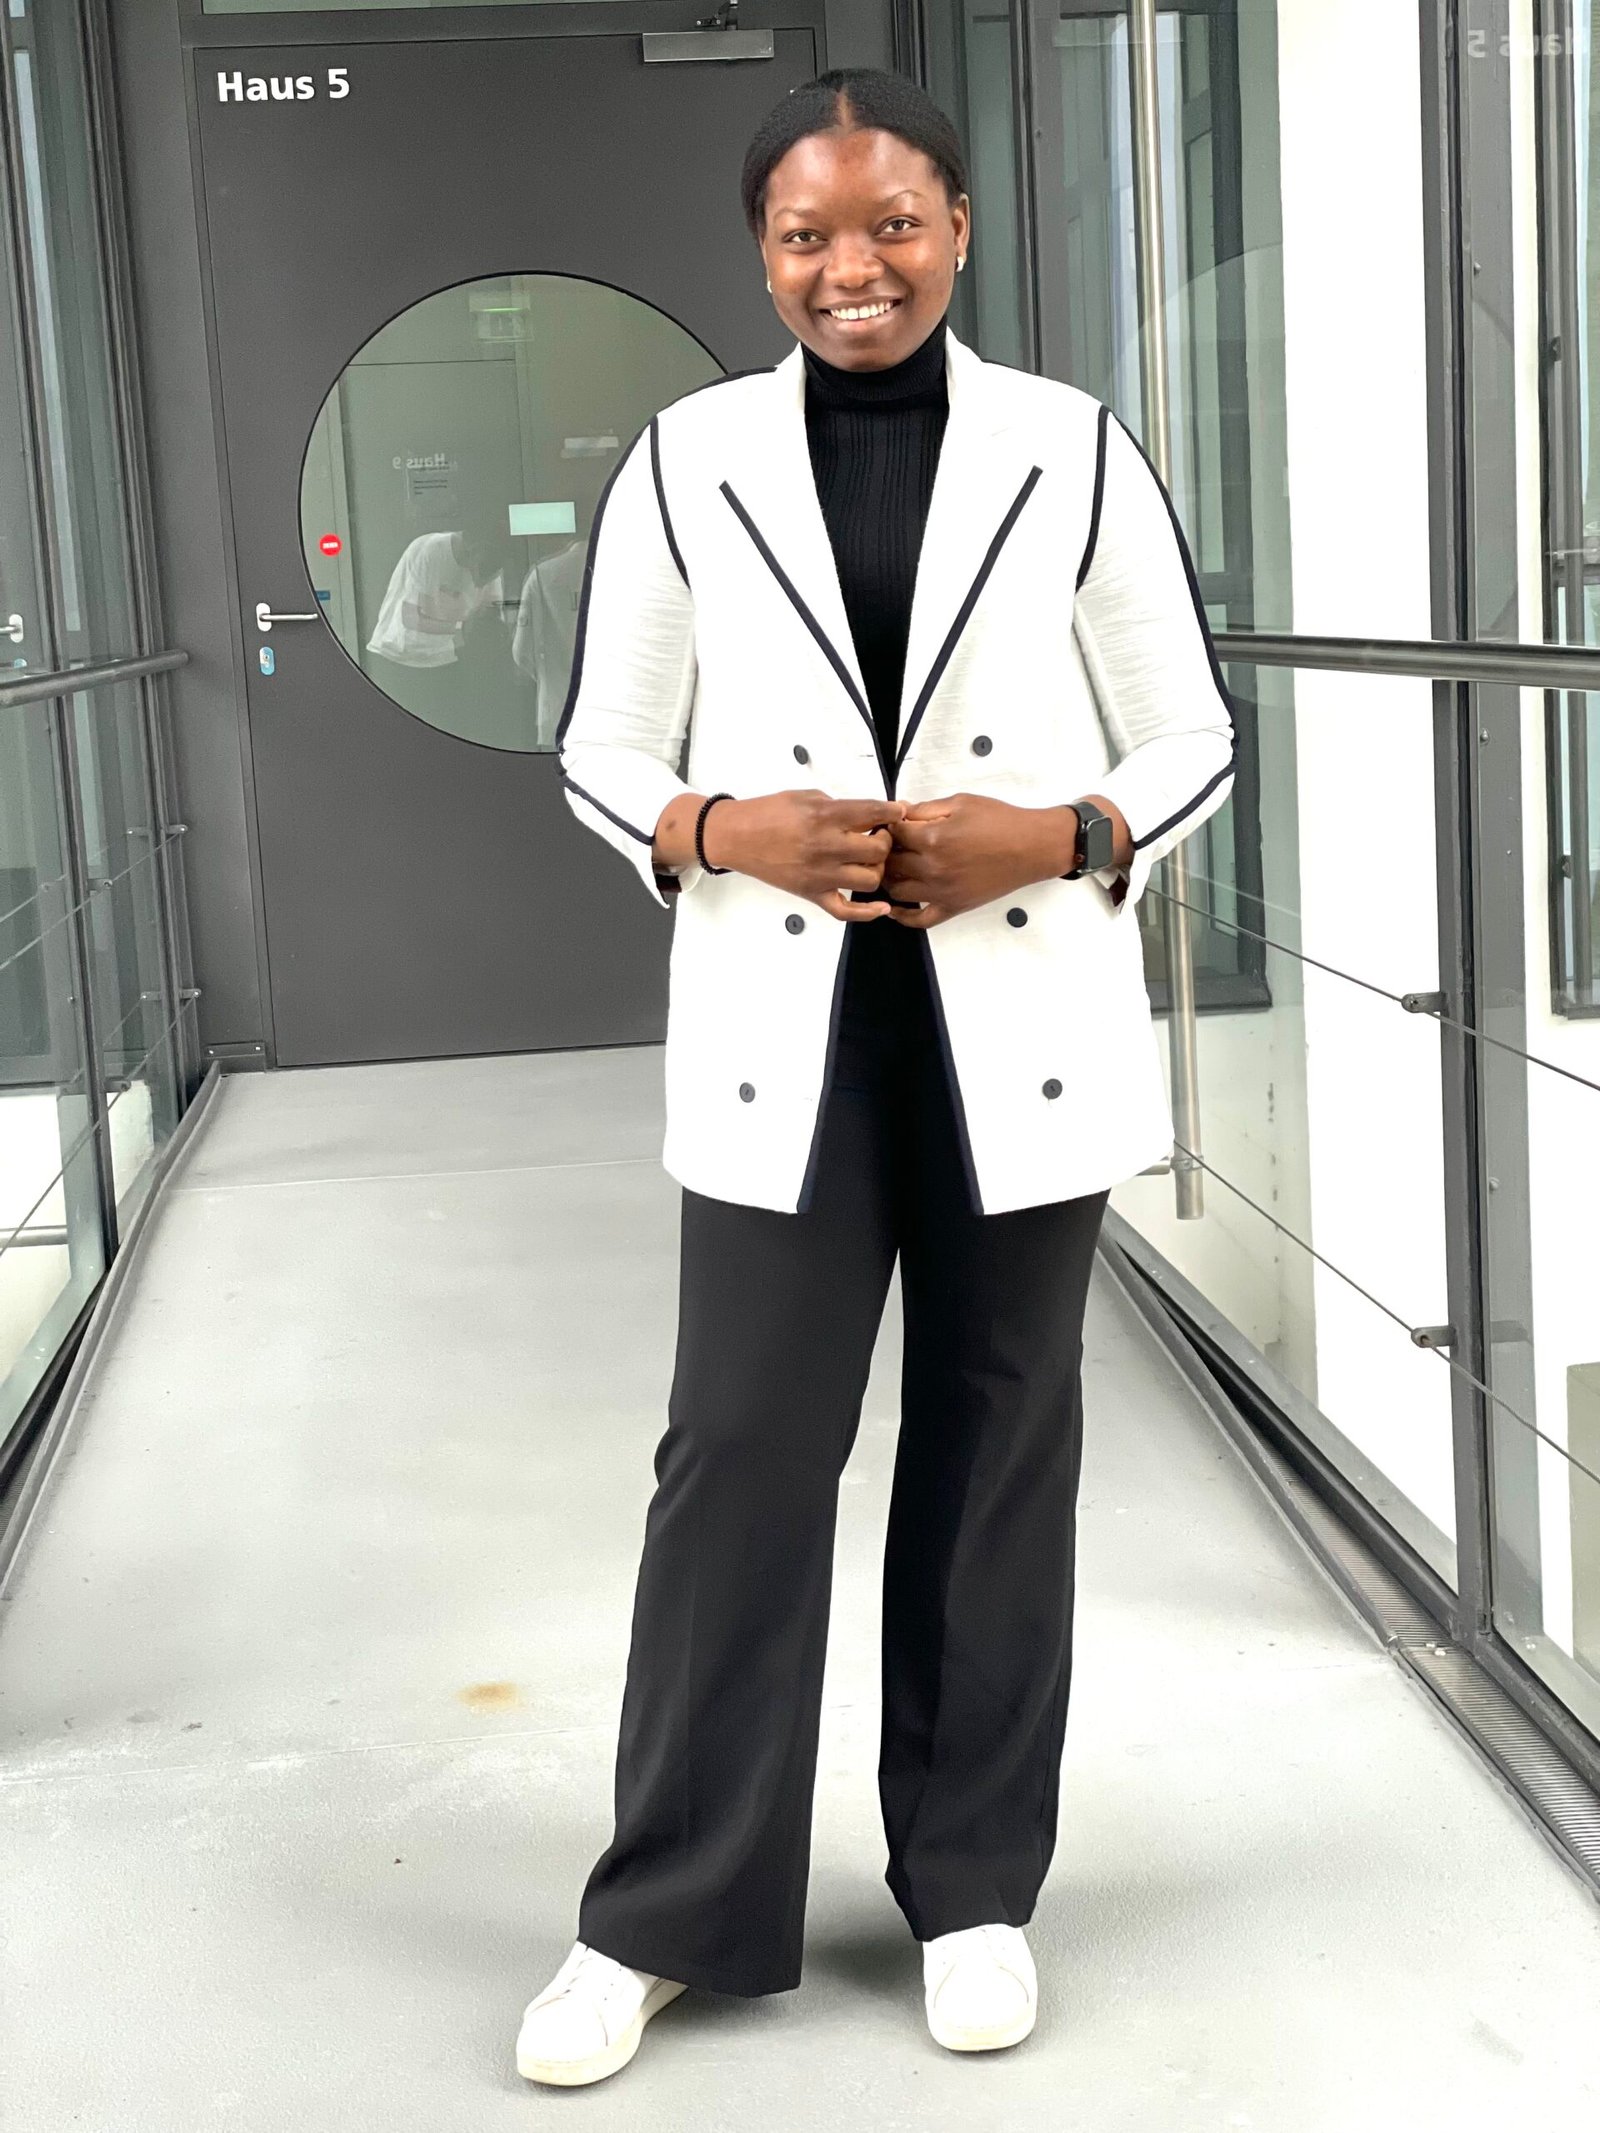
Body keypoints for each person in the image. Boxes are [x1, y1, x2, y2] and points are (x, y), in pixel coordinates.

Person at [516, 67, 1237, 2088]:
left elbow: (1187, 729)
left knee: (997, 1454)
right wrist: (712, 825)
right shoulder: (686, 458)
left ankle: (974, 1886)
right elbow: (601, 742)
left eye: (893, 222)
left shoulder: (1069, 448)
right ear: (761, 253)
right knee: (739, 1451)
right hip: (786, 1034)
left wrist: (1066, 832)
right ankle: (659, 1910)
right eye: (809, 234)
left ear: (958, 229)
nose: (855, 266)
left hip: (1021, 1032)